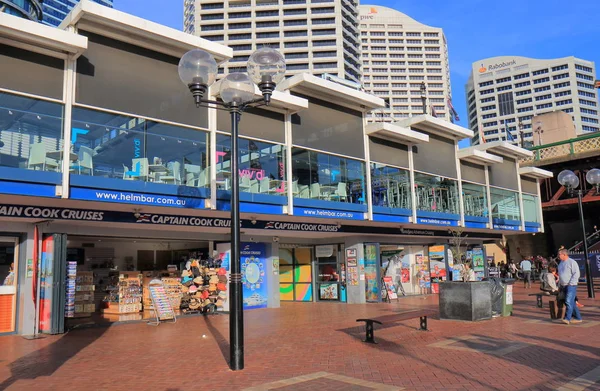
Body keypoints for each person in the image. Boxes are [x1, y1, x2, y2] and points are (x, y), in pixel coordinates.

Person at [557, 249, 582, 325]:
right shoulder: (561, 263)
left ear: (564, 254)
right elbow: (560, 275)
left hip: (571, 285)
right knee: (571, 302)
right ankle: (578, 317)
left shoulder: (572, 262)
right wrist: (559, 285)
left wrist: (571, 283)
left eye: (559, 254)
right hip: (563, 285)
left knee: (568, 301)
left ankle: (567, 318)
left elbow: (576, 273)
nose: (558, 256)